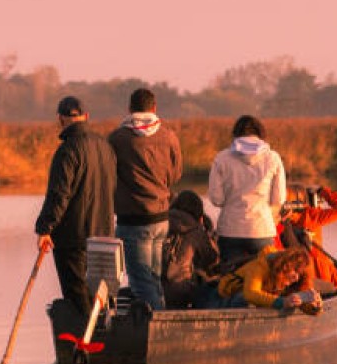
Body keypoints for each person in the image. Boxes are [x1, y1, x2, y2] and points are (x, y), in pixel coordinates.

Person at [33, 96, 117, 318]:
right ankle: (104, 344)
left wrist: (45, 228)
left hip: (74, 240)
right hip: (104, 236)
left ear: (60, 119)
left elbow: (59, 195)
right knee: (101, 298)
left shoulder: (67, 151)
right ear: (86, 117)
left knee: (79, 301)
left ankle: (83, 348)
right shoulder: (106, 147)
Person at [108, 88, 183, 311]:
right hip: (161, 217)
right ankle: (161, 321)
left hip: (132, 220)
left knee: (141, 282)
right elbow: (176, 173)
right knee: (154, 278)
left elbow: (108, 174)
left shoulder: (118, 138)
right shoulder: (169, 136)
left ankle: (156, 326)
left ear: (130, 109)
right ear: (154, 108)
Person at [208, 115, 286, 266]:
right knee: (263, 281)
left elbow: (216, 199)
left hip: (230, 230)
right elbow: (279, 199)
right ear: (261, 134)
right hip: (262, 229)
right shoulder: (273, 158)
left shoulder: (221, 158)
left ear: (236, 133)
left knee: (230, 281)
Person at [278, 187, 337, 291]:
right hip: (314, 279)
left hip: (290, 277)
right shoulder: (310, 217)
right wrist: (323, 191)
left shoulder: (271, 218)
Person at [215, 246, 320, 314]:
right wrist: (282, 302)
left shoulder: (290, 280)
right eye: (295, 271)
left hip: (253, 297)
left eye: (300, 274)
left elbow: (299, 298)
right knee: (244, 299)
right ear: (285, 266)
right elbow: (250, 294)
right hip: (223, 299)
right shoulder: (259, 266)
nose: (296, 278)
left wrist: (314, 306)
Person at [161, 190, 220, 309]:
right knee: (211, 286)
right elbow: (212, 261)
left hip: (155, 291)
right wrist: (208, 234)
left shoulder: (159, 223)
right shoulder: (195, 230)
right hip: (182, 292)